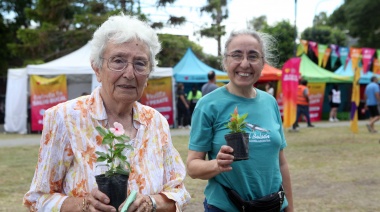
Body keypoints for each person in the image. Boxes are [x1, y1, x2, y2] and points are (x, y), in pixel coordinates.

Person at [23, 14, 190, 212]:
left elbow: (179, 192)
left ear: (148, 73)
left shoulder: (156, 122)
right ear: (97, 68)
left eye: (140, 63)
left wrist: (151, 203)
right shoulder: (65, 118)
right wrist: (82, 205)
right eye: (118, 61)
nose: (129, 73)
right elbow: (37, 199)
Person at [186, 29, 293, 212]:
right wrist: (216, 165)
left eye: (253, 56)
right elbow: (192, 166)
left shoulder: (270, 103)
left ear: (262, 63)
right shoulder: (208, 105)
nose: (244, 64)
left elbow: (281, 163)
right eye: (236, 55)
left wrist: (290, 208)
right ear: (225, 61)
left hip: (273, 206)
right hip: (226, 207)